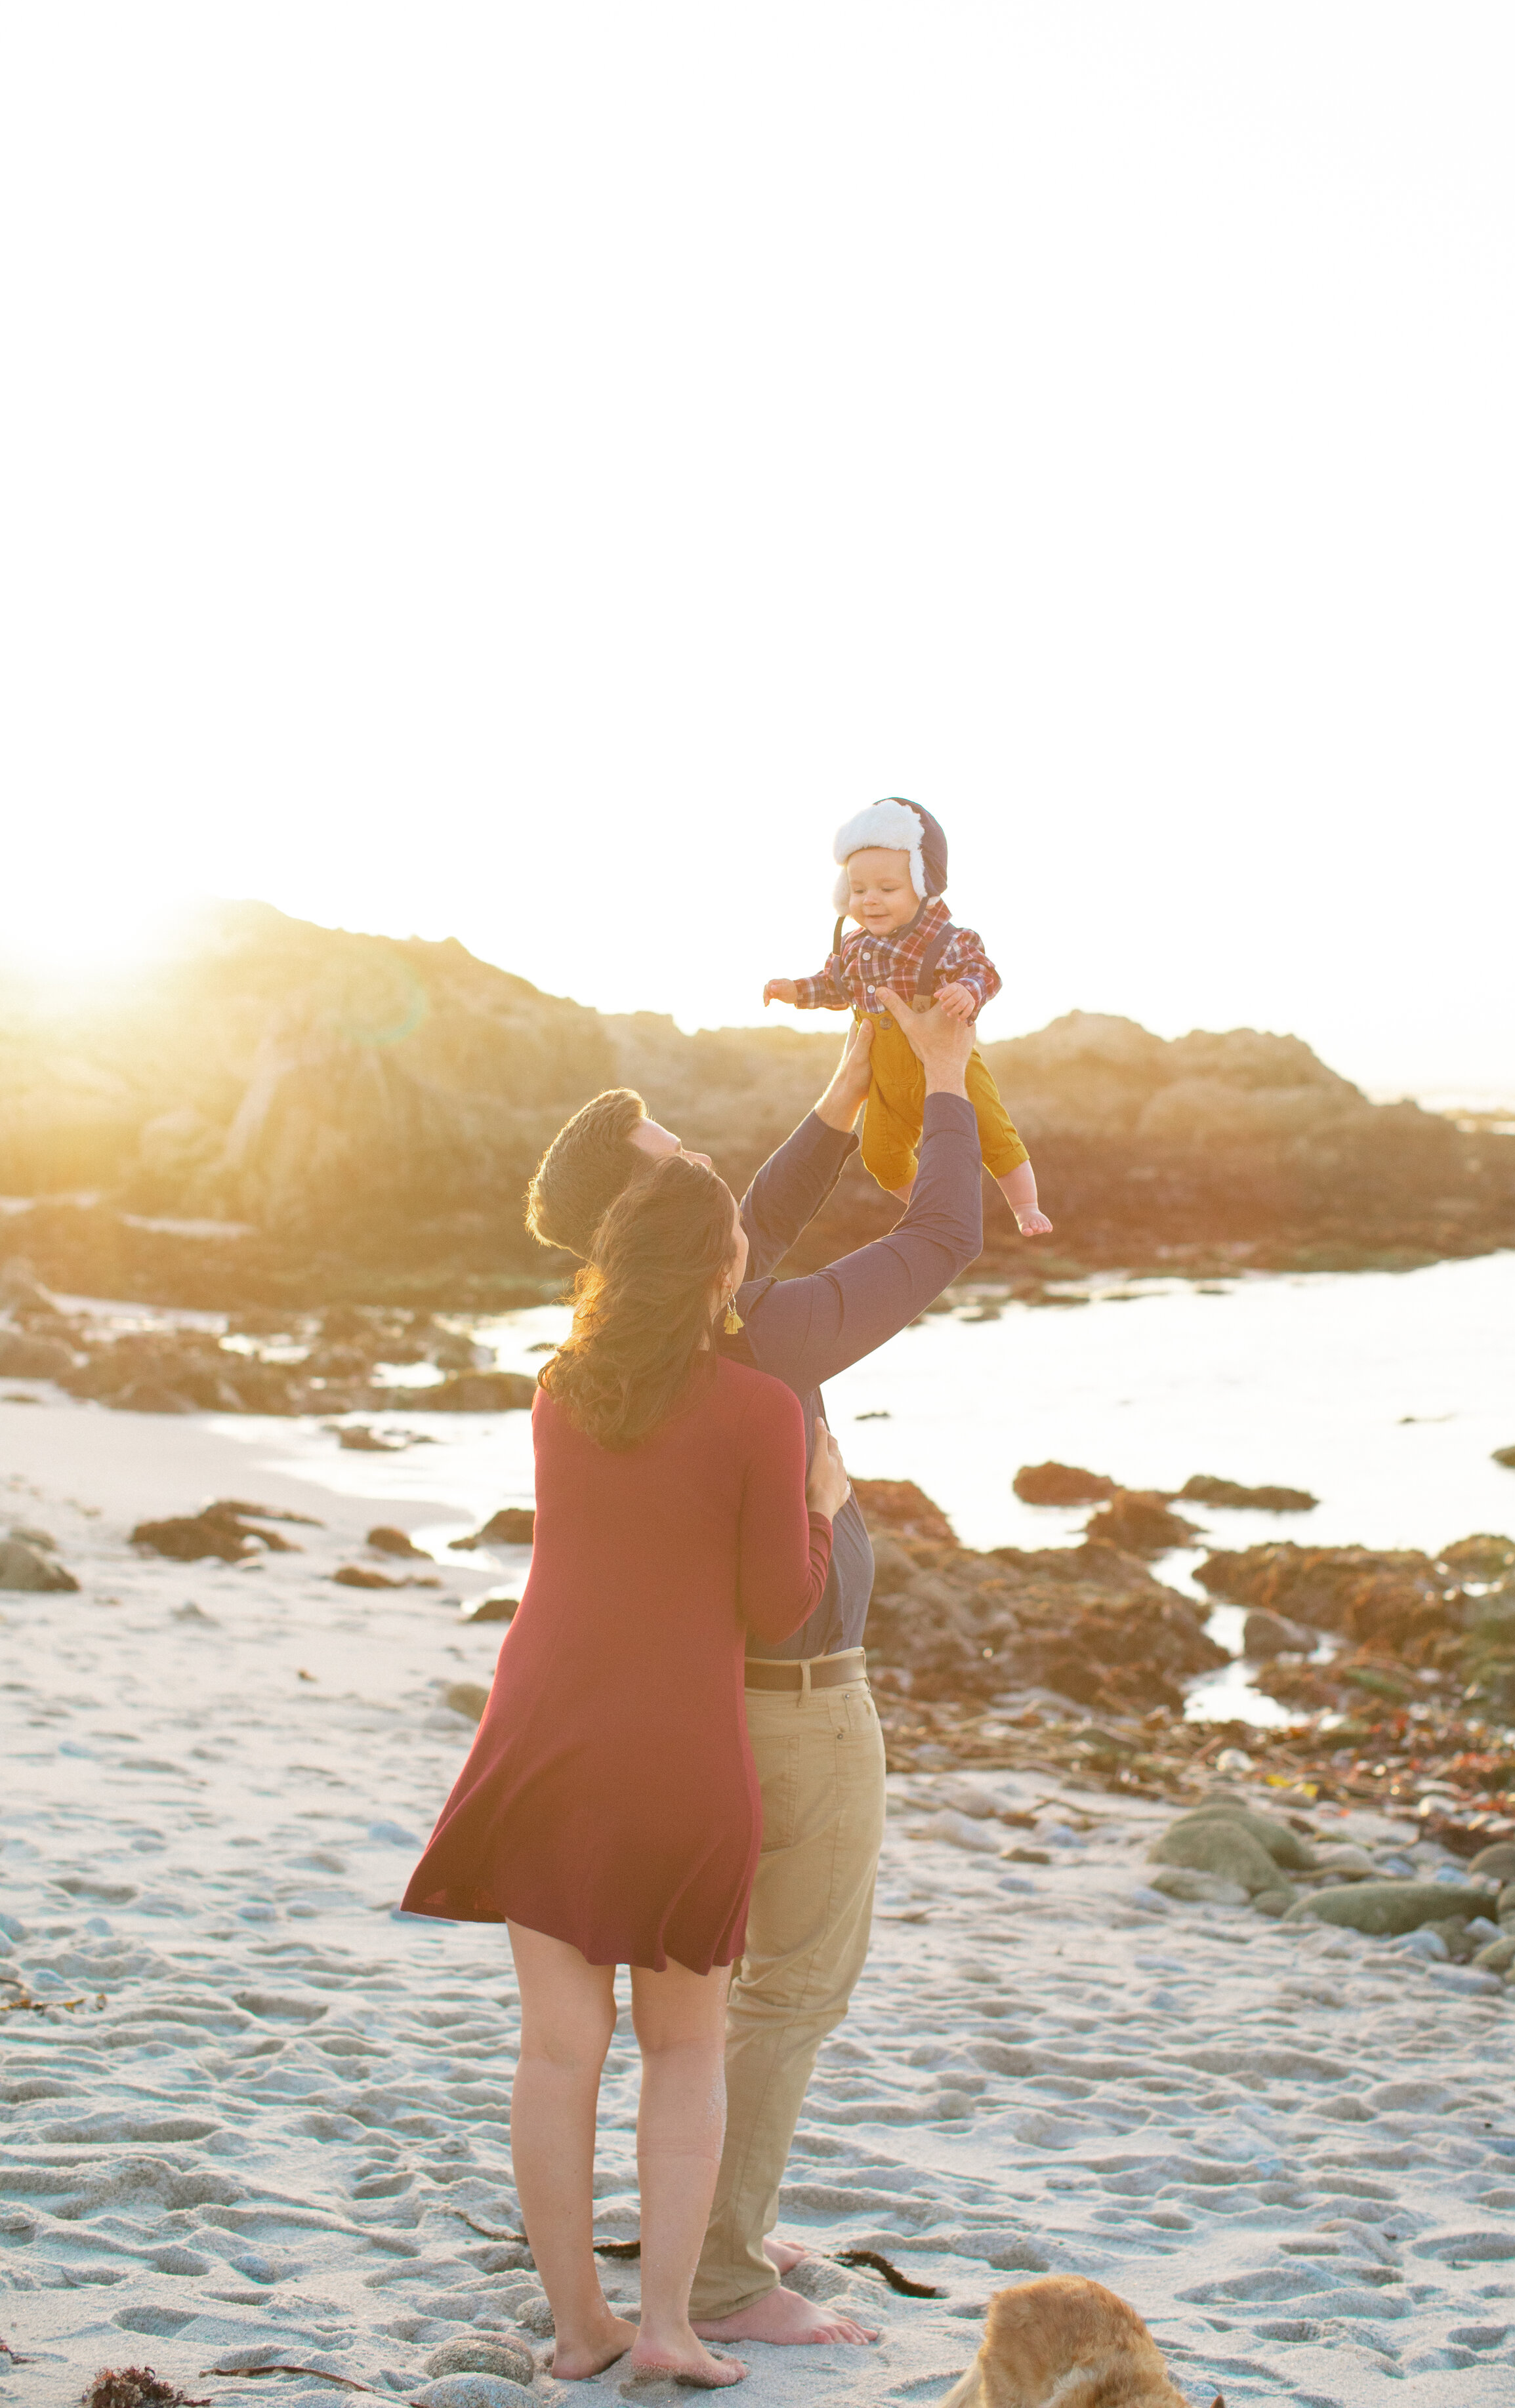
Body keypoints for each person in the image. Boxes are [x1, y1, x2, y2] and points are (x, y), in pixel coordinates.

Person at [524, 990, 985, 2348]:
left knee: (690, 2008)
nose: (703, 1159)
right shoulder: (767, 1342)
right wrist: (945, 1080)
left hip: (675, 1708)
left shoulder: (631, 1343)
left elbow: (754, 1223)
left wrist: (848, 1091)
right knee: (790, 1987)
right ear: (662, 1216)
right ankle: (721, 2266)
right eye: (678, 1151)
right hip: (793, 1708)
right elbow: (941, 1235)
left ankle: (704, 2223)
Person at [400, 1154, 854, 2386]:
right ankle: (664, 2327)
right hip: (676, 1756)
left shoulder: (560, 1391)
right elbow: (775, 1607)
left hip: (541, 1737)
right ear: (720, 1268)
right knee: (685, 2048)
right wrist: (818, 1502)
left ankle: (576, 2332)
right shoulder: (766, 1410)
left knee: (557, 2048)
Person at [764, 796, 1053, 1236]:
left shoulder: (946, 939)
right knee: (879, 1155)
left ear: (922, 884)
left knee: (994, 1133)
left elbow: (985, 973)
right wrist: (793, 991)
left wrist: (965, 991)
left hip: (945, 1064)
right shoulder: (854, 947)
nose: (871, 901)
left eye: (888, 889)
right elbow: (834, 987)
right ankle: (927, 1205)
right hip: (886, 1076)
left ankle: (1025, 1205)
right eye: (859, 891)